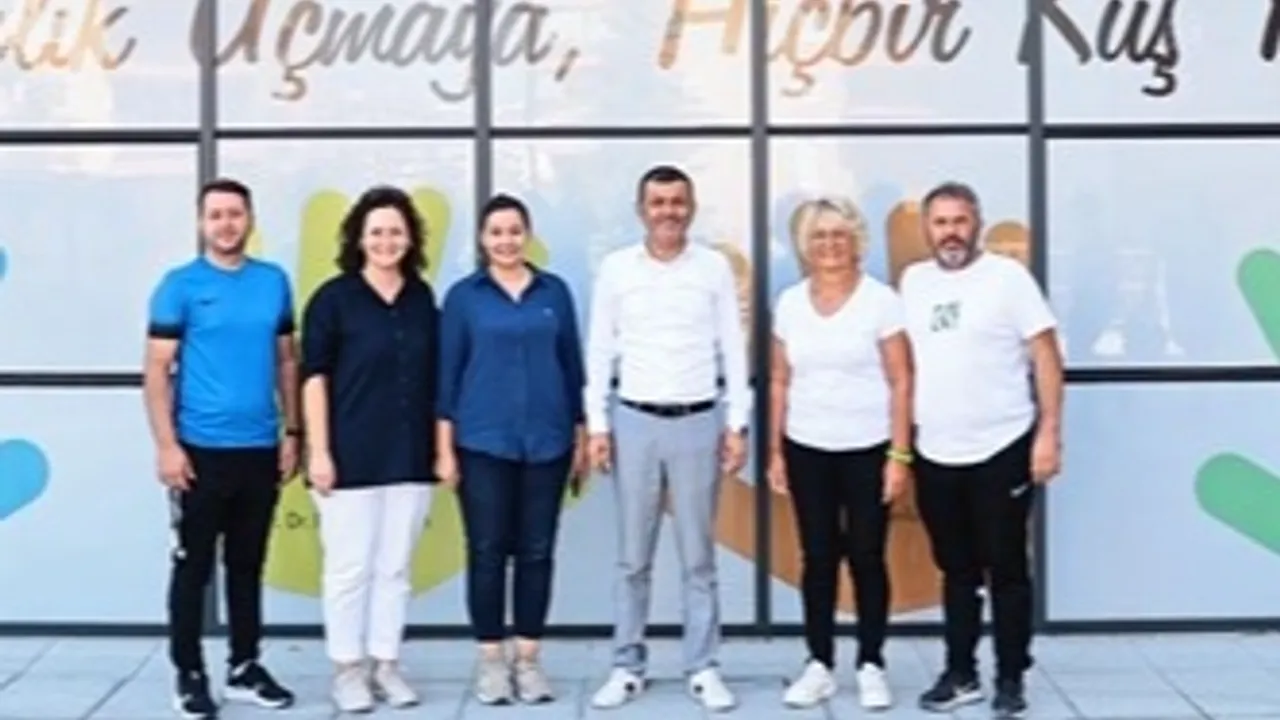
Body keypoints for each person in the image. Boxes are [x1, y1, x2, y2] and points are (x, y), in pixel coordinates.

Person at [585, 165, 750, 712]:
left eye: (677, 202)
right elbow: (600, 350)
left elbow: (732, 346)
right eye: (658, 202)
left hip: (699, 421)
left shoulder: (713, 268)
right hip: (634, 421)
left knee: (698, 557)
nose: (668, 211)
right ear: (641, 210)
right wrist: (598, 425)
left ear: (691, 208)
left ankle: (703, 667)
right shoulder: (617, 269)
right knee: (633, 558)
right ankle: (626, 666)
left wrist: (736, 423)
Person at [899, 182, 1063, 717]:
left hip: (1002, 447)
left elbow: (1045, 356)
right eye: (941, 222)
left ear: (978, 224)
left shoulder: (1008, 279)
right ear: (927, 229)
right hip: (936, 451)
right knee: (957, 570)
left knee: (1007, 568)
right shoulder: (913, 282)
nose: (951, 232)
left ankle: (1011, 676)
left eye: (960, 221)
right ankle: (960, 672)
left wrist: (1049, 433)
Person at [143, 178, 298, 719]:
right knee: (193, 569)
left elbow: (286, 360)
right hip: (200, 451)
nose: (226, 224)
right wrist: (167, 446)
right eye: (216, 215)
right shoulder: (179, 286)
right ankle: (188, 672)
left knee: (247, 565)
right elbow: (156, 371)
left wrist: (293, 432)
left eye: (235, 214)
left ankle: (244, 665)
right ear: (201, 222)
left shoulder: (273, 282)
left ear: (250, 219)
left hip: (259, 448)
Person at [434, 193, 587, 705]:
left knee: (537, 552)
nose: (506, 240)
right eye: (496, 232)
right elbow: (447, 376)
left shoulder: (554, 292)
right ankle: (492, 662)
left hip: (548, 441)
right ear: (482, 239)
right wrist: (444, 449)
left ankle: (528, 659)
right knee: (486, 551)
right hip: (483, 442)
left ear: (528, 235)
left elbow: (572, 366)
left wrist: (581, 434)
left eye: (514, 231)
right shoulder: (464, 298)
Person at [766, 198, 913, 710]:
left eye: (838, 234)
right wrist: (776, 451)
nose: (829, 244)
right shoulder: (789, 303)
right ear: (805, 246)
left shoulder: (880, 301)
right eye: (819, 236)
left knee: (868, 556)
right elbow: (780, 380)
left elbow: (901, 379)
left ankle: (871, 662)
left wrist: (899, 455)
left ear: (856, 242)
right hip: (807, 447)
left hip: (868, 447)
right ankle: (819, 663)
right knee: (818, 557)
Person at [298, 186, 440, 713]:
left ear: (411, 239)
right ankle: (348, 670)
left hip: (410, 454)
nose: (386, 241)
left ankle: (386, 663)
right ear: (358, 239)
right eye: (376, 232)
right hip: (348, 455)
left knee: (395, 569)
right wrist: (319, 451)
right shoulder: (333, 299)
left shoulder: (422, 298)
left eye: (396, 232)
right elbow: (314, 378)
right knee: (348, 569)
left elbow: (435, 377)